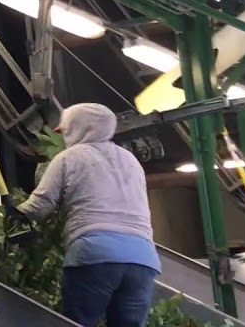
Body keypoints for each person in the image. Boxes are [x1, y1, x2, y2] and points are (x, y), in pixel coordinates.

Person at [13, 102, 161, 327]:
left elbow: (40, 206)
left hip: (94, 253)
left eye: (65, 131)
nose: (63, 137)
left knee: (79, 322)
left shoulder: (69, 157)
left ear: (77, 129)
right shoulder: (131, 161)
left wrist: (12, 213)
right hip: (143, 259)